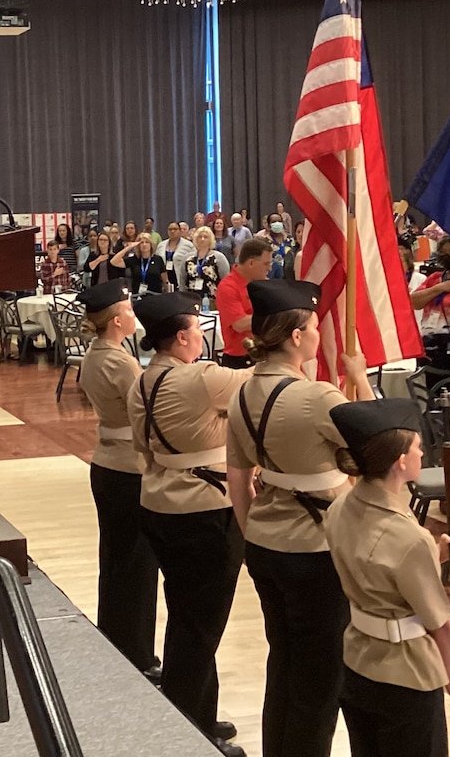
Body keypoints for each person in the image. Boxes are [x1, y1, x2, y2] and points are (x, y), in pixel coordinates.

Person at [226, 280, 373, 757]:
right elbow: (381, 449)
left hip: (266, 543)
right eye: (312, 326)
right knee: (320, 677)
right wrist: (363, 380)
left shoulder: (242, 393)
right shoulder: (318, 397)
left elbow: (237, 476)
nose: (317, 335)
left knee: (284, 663)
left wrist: (252, 534)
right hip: (315, 548)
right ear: (294, 336)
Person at [324, 399, 450, 757]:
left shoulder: (341, 506)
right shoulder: (408, 538)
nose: (424, 454)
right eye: (419, 448)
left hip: (358, 662)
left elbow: (379, 568)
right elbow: (442, 626)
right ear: (400, 461)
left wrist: (441, 550)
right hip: (407, 678)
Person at [127, 292, 249, 757]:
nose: (202, 336)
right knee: (200, 625)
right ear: (181, 338)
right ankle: (188, 731)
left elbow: (142, 445)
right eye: (198, 330)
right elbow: (267, 383)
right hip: (204, 509)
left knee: (187, 615)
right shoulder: (199, 377)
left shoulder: (143, 379)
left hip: (160, 502)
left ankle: (197, 709)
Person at [76, 280, 159, 680]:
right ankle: (137, 654)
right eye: (127, 309)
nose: (132, 313)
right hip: (128, 466)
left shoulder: (101, 353)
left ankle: (118, 641)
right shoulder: (119, 362)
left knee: (116, 561)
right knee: (136, 566)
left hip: (109, 461)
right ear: (115, 320)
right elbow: (148, 408)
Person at [215, 239, 272, 368]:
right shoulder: (228, 287)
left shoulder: (264, 283)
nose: (269, 268)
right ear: (251, 263)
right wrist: (275, 317)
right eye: (266, 264)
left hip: (266, 353)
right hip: (241, 359)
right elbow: (239, 324)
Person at [185, 227, 232, 306]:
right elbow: (183, 279)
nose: (202, 239)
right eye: (200, 237)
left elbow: (226, 280)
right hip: (192, 300)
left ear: (210, 239)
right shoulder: (188, 258)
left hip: (213, 300)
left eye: (205, 237)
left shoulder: (219, 257)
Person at [157, 221, 194, 290]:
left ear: (180, 231)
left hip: (179, 279)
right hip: (164, 281)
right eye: (170, 229)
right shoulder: (161, 245)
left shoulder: (188, 245)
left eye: (175, 229)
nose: (172, 231)